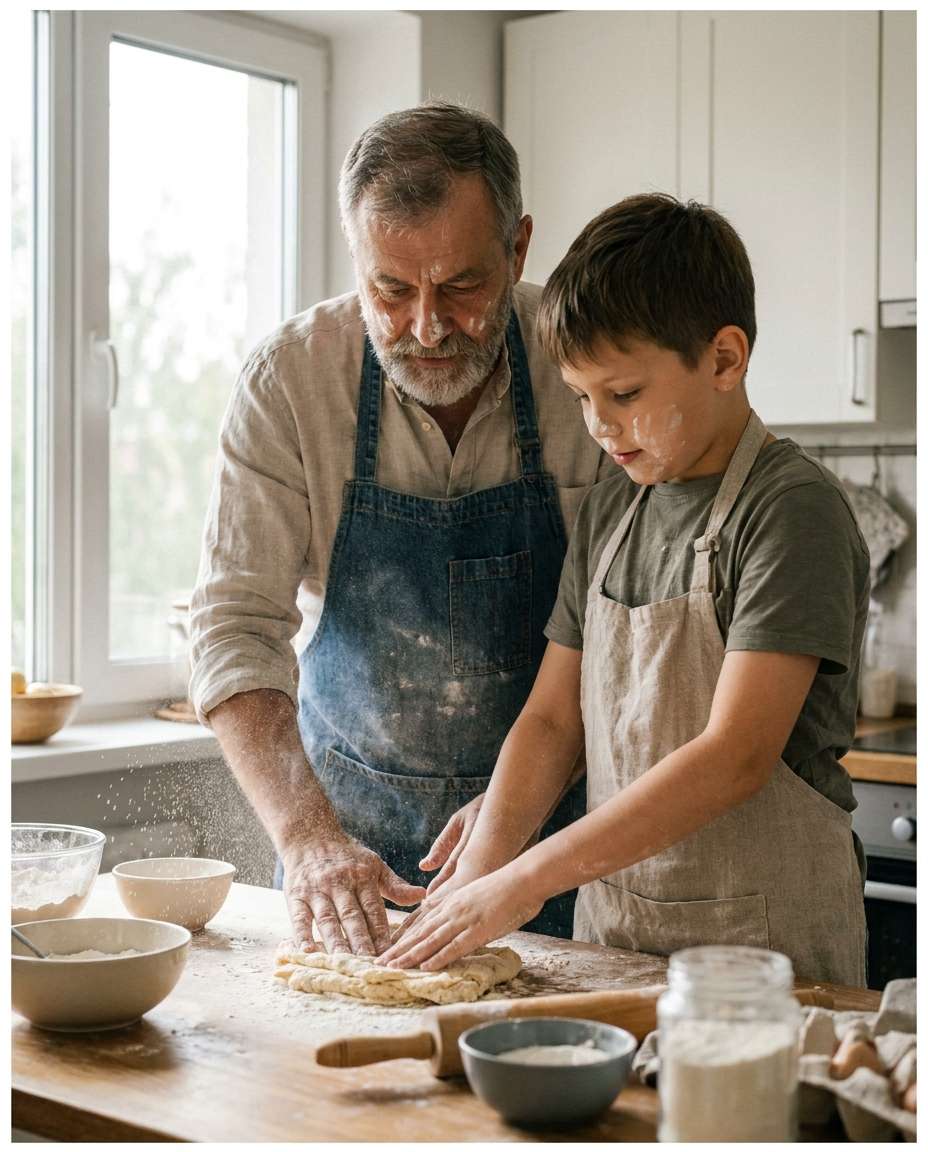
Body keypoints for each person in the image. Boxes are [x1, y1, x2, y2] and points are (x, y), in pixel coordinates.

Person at [380, 192, 870, 987]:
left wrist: (526, 880)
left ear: (723, 358)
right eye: (581, 398)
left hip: (766, 958)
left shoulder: (790, 509)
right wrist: (481, 872)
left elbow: (734, 756)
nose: (601, 427)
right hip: (614, 942)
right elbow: (550, 719)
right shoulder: (616, 503)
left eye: (626, 395)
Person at [189, 102, 615, 957]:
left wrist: (512, 813)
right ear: (356, 256)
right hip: (349, 864)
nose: (426, 327)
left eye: (461, 286)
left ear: (519, 248)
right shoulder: (291, 382)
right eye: (390, 289)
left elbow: (621, 639)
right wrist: (307, 838)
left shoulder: (587, 369)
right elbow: (234, 628)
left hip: (559, 848)